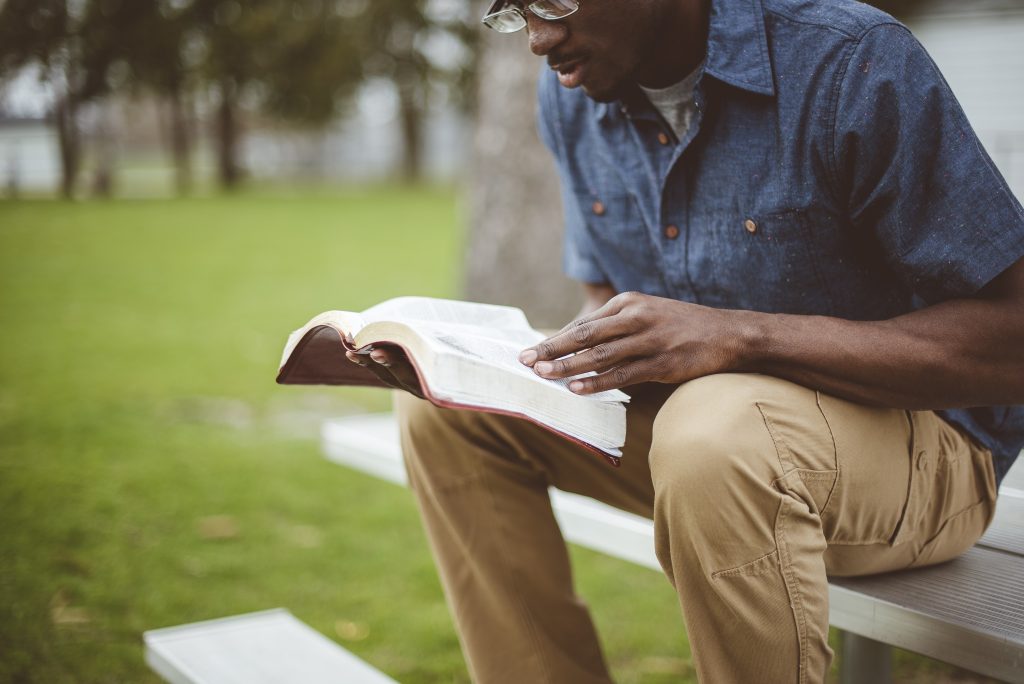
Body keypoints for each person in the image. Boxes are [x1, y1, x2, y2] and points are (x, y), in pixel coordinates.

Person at [347, 0, 1024, 681]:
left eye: (553, 1)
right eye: (514, 11)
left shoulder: (846, 61)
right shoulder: (575, 93)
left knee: (713, 434)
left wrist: (741, 338)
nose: (539, 39)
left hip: (924, 456)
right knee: (446, 412)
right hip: (703, 449)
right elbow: (603, 299)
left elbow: (1012, 343)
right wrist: (503, 367)